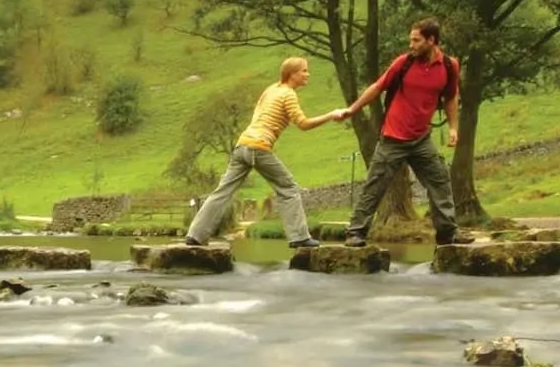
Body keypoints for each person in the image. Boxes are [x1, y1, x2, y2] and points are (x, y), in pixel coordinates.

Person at [185, 57, 349, 248]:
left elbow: (258, 115)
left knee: (222, 192)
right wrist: (331, 115)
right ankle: (299, 237)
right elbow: (303, 124)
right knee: (288, 188)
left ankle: (195, 235)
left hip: (242, 145)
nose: (308, 74)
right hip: (258, 147)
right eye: (304, 70)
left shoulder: (271, 89)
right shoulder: (288, 94)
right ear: (292, 74)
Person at [342, 17, 474, 248]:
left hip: (421, 139)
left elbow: (451, 97)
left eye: (416, 40)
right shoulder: (403, 63)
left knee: (440, 180)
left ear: (431, 40)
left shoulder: (449, 66)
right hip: (393, 137)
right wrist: (353, 109)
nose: (411, 45)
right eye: (410, 40)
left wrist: (453, 127)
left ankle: (448, 233)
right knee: (375, 185)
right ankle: (356, 233)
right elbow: (377, 86)